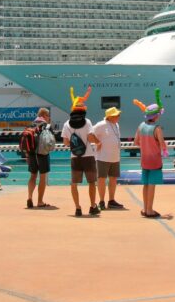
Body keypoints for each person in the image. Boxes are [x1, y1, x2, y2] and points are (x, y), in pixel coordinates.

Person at [62, 88, 101, 216]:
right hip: (88, 155)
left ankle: (78, 208)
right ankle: (92, 206)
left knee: (74, 183)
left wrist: (75, 143)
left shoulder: (67, 124)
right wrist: (98, 141)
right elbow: (90, 138)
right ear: (84, 110)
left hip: (75, 156)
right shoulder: (87, 122)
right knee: (91, 183)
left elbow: (66, 142)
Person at [133, 92, 168, 218]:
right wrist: (163, 149)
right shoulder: (157, 128)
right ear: (156, 116)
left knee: (146, 184)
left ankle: (144, 208)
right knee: (152, 185)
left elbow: (136, 142)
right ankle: (150, 210)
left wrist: (145, 146)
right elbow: (162, 144)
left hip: (144, 160)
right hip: (154, 160)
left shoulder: (141, 126)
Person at [93, 107, 124, 210]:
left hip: (115, 157)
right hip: (103, 157)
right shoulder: (101, 125)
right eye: (116, 115)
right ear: (110, 116)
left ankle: (111, 200)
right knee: (101, 179)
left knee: (113, 178)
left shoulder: (116, 124)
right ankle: (101, 201)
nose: (119, 116)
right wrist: (97, 142)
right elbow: (90, 134)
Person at [25, 108, 54, 208]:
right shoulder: (47, 126)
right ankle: (40, 201)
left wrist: (27, 155)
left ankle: (29, 197)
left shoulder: (31, 125)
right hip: (43, 154)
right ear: (45, 115)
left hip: (32, 154)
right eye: (48, 115)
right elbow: (51, 141)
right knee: (42, 178)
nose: (49, 117)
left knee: (33, 176)